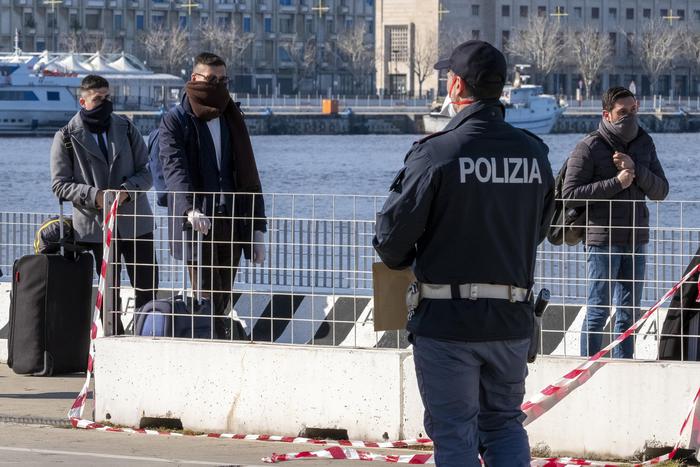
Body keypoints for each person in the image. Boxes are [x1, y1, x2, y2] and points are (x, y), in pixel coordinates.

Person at [373, 41, 555, 467]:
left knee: (454, 432)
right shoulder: (534, 153)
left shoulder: (437, 152)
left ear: (455, 86)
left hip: (447, 324)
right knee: (505, 424)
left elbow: (390, 240)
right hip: (511, 320)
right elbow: (540, 229)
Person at [159, 52, 267, 340]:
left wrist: (257, 229)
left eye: (223, 80)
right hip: (198, 223)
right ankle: (215, 350)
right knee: (206, 295)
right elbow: (174, 169)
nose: (218, 85)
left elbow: (249, 176)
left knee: (222, 296)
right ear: (194, 79)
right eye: (211, 79)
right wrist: (189, 210)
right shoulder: (177, 120)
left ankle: (215, 347)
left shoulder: (231, 117)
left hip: (231, 220)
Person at [563, 86, 669, 359]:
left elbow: (661, 190)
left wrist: (635, 169)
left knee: (629, 315)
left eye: (633, 110)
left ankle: (625, 366)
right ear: (607, 115)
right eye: (623, 113)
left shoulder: (645, 142)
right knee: (597, 310)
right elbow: (569, 196)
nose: (630, 117)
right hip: (602, 241)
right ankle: (587, 368)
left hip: (636, 240)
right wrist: (616, 183)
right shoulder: (589, 146)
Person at [51, 74, 158, 335]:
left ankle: (148, 338)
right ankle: (113, 342)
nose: (104, 103)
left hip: (136, 221)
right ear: (83, 101)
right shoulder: (66, 136)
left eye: (107, 97)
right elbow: (60, 184)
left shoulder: (126, 127)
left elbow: (146, 172)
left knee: (148, 287)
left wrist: (125, 191)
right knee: (107, 292)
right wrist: (95, 196)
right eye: (98, 99)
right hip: (95, 227)